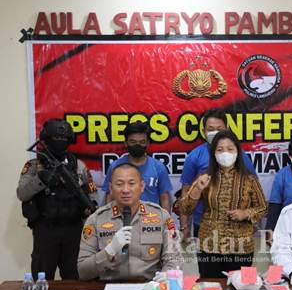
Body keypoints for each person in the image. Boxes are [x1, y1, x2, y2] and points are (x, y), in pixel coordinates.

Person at [178, 130, 267, 278]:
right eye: (220, 150)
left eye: (230, 149)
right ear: (214, 153)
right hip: (209, 245)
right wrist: (197, 189)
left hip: (241, 247)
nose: (225, 153)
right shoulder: (205, 178)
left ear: (237, 152)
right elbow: (185, 209)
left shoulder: (249, 179)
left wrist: (246, 213)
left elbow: (263, 207)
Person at [17, 118, 98, 280]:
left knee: (75, 278)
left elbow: (92, 191)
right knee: (42, 278)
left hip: (74, 230)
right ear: (46, 139)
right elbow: (22, 193)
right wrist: (41, 179)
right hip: (46, 229)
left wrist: (91, 206)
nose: (60, 142)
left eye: (64, 139)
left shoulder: (78, 165)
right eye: (56, 138)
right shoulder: (34, 165)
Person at [78, 163, 181, 280]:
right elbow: (83, 272)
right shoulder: (96, 219)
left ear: (142, 186)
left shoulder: (161, 216)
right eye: (119, 184)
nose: (125, 190)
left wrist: (167, 275)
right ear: (111, 188)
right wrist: (109, 251)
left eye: (131, 184)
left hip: (150, 289)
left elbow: (174, 258)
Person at [179, 108, 256, 239]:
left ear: (226, 130)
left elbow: (253, 190)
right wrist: (184, 226)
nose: (215, 133)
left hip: (236, 224)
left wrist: (253, 219)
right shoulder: (194, 156)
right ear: (204, 131)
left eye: (219, 129)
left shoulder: (240, 155)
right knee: (207, 259)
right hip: (204, 223)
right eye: (210, 129)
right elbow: (185, 192)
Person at [102, 121, 172, 211]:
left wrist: (166, 222)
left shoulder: (158, 167)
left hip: (152, 220)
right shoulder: (115, 167)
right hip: (122, 219)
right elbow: (110, 196)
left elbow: (165, 198)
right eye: (133, 142)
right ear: (126, 143)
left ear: (147, 143)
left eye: (142, 142)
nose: (137, 145)